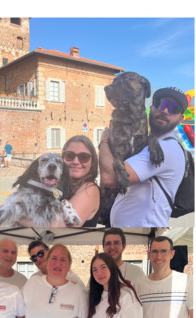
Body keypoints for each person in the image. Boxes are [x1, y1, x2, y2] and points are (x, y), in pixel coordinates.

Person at [99, 87, 188, 226]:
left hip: (143, 231)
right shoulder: (150, 143)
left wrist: (104, 140)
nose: (165, 111)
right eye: (161, 103)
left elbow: (110, 178)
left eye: (174, 108)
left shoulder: (166, 148)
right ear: (151, 107)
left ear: (181, 118)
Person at [133, 236, 193, 318]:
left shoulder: (188, 281)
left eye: (163, 251)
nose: (158, 256)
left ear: (172, 254)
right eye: (154, 251)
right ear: (149, 255)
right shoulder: (137, 285)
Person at [22, 244, 88, 318]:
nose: (57, 264)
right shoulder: (32, 283)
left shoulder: (78, 292)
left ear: (69, 266)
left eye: (63, 260)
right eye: (54, 258)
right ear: (47, 262)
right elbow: (17, 311)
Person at [61, 135, 100, 226]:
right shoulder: (61, 187)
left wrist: (22, 218)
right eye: (69, 156)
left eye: (83, 157)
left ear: (92, 162)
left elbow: (59, 227)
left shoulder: (89, 189)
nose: (75, 161)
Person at [88, 253, 142, 318]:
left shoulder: (126, 296)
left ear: (111, 268)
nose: (99, 273)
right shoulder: (94, 297)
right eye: (95, 270)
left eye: (103, 267)